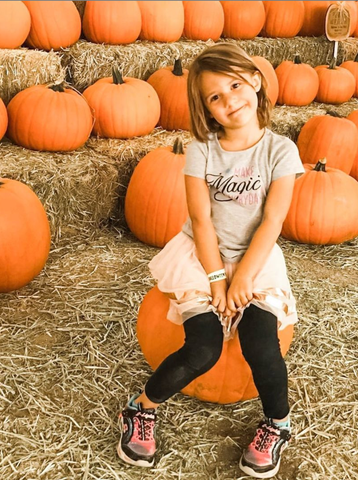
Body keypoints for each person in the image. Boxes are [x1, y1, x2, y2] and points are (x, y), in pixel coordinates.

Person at [117, 43, 305, 478]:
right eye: (214, 97)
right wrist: (219, 280)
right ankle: (140, 409)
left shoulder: (281, 151)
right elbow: (201, 220)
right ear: (206, 110)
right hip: (203, 256)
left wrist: (245, 279)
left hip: (257, 257)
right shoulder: (202, 149)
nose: (229, 100)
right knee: (203, 347)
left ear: (256, 81)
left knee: (261, 345)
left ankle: (278, 424)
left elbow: (272, 220)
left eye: (235, 85)